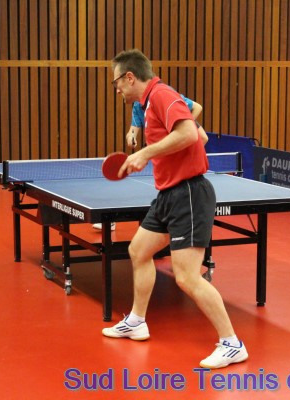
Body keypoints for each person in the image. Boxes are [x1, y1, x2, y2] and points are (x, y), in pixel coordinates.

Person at [101, 49, 248, 369]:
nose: (117, 90)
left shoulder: (162, 95)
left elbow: (189, 133)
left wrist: (145, 153)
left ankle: (232, 343)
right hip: (168, 194)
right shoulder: (147, 104)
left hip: (189, 194)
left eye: (116, 83)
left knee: (186, 277)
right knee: (139, 250)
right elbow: (200, 135)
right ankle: (137, 321)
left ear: (130, 77)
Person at [93, 96, 208, 231]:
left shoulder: (165, 98)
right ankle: (112, 217)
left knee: (201, 139)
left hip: (177, 133)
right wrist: (131, 136)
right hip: (165, 149)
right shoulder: (138, 105)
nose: (119, 91)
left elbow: (198, 109)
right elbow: (133, 130)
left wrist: (179, 129)